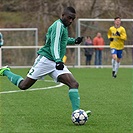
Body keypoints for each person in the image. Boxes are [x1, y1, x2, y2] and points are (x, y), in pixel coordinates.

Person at [0, 7, 91, 116]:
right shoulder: (58, 26)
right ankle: (5, 71)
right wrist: (58, 60)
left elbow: (62, 40)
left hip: (55, 62)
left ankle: (76, 112)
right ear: (63, 15)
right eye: (69, 18)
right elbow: (54, 45)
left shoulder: (63, 27)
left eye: (73, 19)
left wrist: (74, 41)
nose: (71, 20)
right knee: (23, 85)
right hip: (45, 60)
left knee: (74, 84)